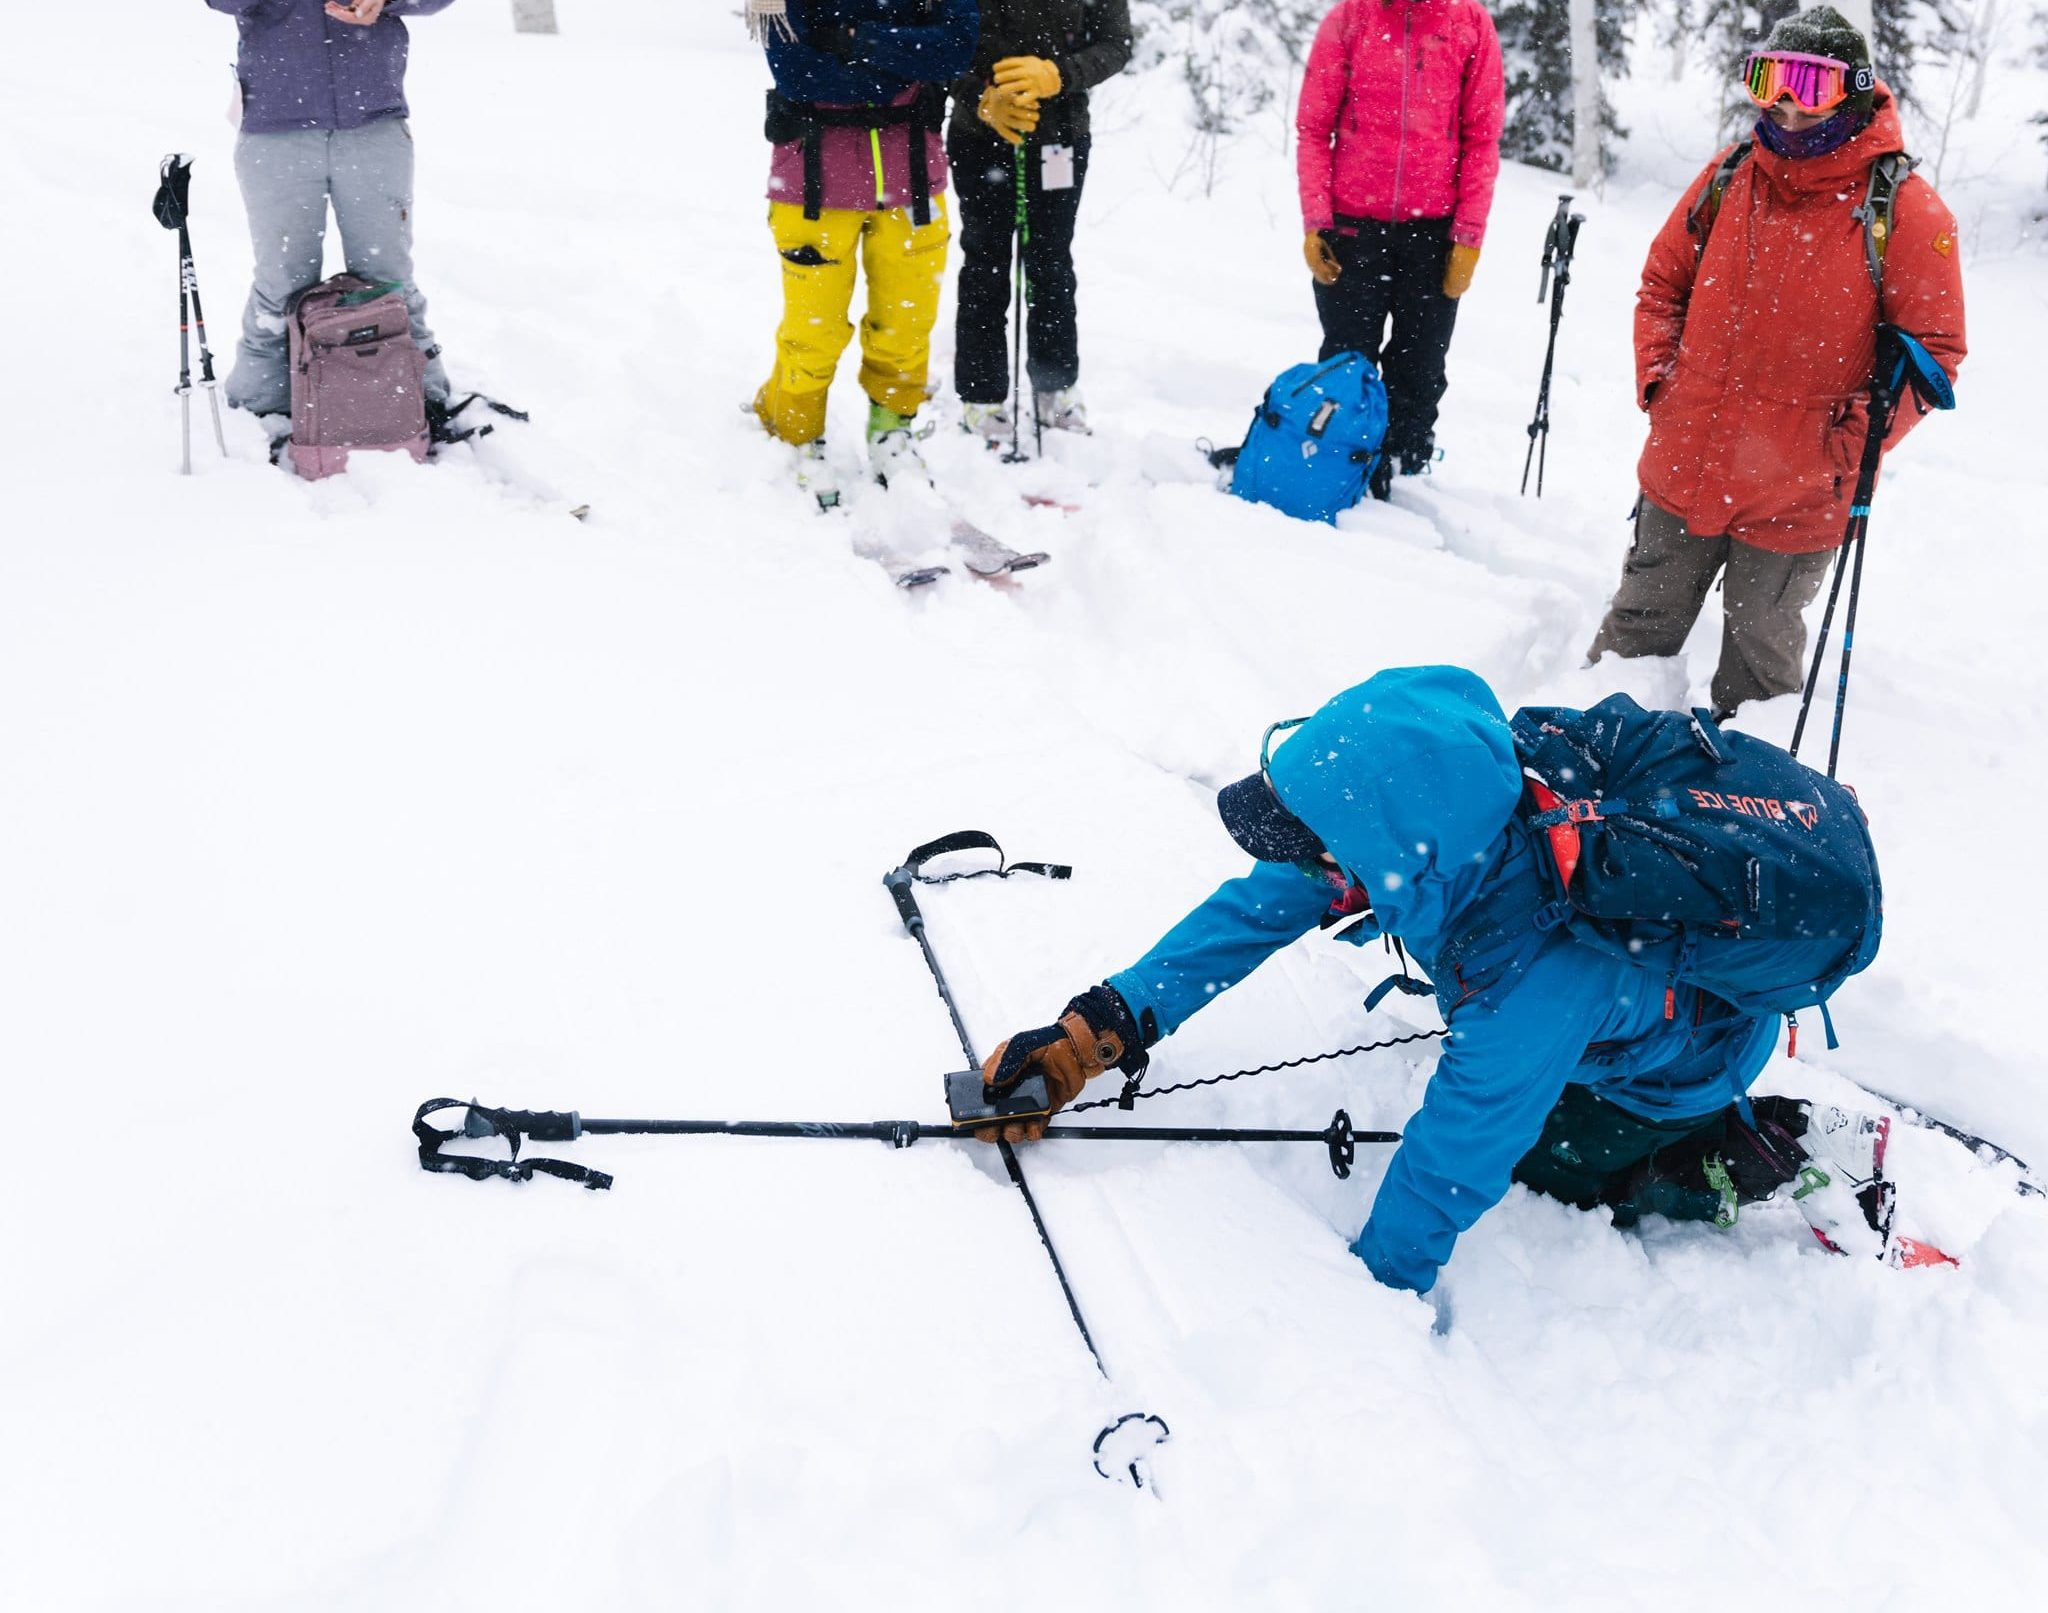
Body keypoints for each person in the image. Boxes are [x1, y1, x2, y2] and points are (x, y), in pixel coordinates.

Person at [977, 666, 1889, 1294]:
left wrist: (1365, 1297)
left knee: (1546, 1160)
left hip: (1692, 1055)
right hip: (1608, 994)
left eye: (1323, 847)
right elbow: (1258, 908)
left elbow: (1455, 1161)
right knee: (1506, 1085)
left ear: (1396, 858)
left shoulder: (1529, 977)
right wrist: (1102, 1026)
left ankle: (1764, 1150)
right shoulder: (1467, 791)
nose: (1311, 867)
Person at [1586, 6, 1965, 719]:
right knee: (1634, 637)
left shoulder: (1905, 212)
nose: (1786, 108)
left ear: (1852, 94)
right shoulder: (1731, 174)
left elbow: (1934, 356)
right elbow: (1662, 284)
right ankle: (1583, 783)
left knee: (1757, 677)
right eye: (1770, 83)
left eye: (1809, 87)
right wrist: (1662, 384)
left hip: (1798, 493)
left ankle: (1736, 813)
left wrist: (1844, 449)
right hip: (1684, 462)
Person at [748, 1, 979, 504]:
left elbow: (957, 52)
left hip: (914, 180)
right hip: (812, 181)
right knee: (814, 329)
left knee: (907, 320)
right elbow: (799, 74)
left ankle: (891, 432)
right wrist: (902, 62)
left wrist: (854, 40)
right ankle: (797, 433)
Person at [205, 0, 455, 421]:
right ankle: (261, 414)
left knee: (388, 278)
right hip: (276, 128)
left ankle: (419, 399)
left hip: (374, 124)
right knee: (282, 282)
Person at [1295, 1, 1504, 499]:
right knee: (1348, 364)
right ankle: (1342, 465)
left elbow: (1482, 139)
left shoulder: (1469, 25)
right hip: (1351, 231)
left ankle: (1403, 474)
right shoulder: (1350, 19)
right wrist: (1316, 222)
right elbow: (1311, 129)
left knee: (1421, 367)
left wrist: (1468, 238)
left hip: (1433, 235)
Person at [946, 1, 1132, 441]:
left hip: (1060, 139)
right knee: (985, 263)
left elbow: (1115, 44)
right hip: (979, 137)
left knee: (1050, 263)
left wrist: (1059, 75)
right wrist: (980, 97)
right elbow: (937, 44)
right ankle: (981, 395)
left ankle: (1056, 385)